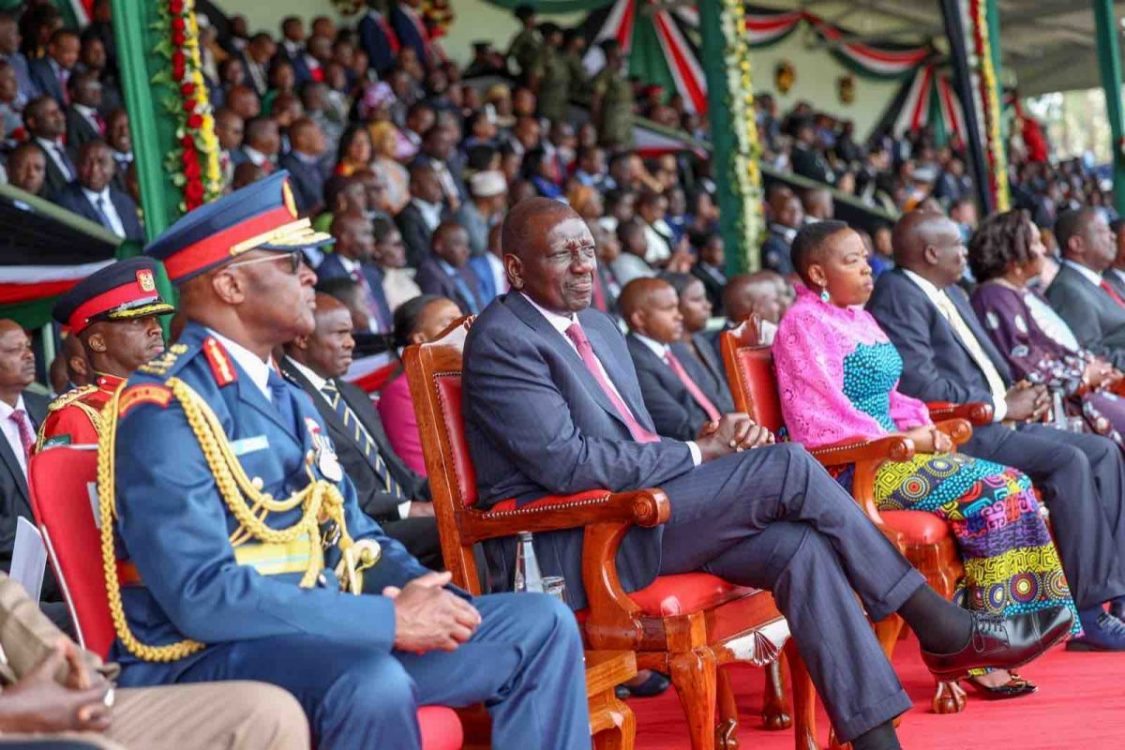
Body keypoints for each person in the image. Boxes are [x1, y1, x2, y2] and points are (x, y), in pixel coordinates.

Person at [462, 198, 1070, 750]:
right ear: (515, 270)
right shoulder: (503, 339)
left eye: (587, 249)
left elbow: (637, 439)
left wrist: (709, 447)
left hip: (646, 507)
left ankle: (877, 740)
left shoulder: (596, 325)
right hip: (579, 541)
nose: (581, 265)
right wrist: (702, 453)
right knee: (785, 464)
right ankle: (936, 622)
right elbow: (570, 464)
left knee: (798, 547)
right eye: (561, 253)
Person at [107, 172, 589, 749]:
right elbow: (203, 596)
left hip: (324, 636)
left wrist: (431, 598)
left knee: (540, 624)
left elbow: (356, 537)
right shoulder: (164, 407)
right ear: (231, 285)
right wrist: (389, 623)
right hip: (211, 658)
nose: (310, 275)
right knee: (372, 682)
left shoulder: (286, 396)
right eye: (289, 264)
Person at [774, 221, 1077, 696]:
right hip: (853, 469)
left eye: (866, 256)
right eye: (851, 260)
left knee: (1013, 481)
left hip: (893, 452)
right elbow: (820, 417)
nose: (867, 268)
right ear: (816, 272)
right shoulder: (804, 324)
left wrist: (923, 427)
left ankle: (1004, 635)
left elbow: (891, 397)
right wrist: (907, 441)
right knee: (991, 490)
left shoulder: (858, 317)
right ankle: (982, 647)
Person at [868, 209, 1125, 650]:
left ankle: (1116, 595)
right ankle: (1086, 614)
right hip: (961, 428)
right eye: (956, 244)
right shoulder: (899, 294)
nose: (965, 251)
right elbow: (918, 382)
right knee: (1069, 460)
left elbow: (992, 363)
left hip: (997, 415)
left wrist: (1018, 390)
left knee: (1101, 451)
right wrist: (1001, 404)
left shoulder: (953, 292)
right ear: (931, 252)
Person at [0, 573, 310, 750]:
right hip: (14, 718)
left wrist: (80, 674)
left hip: (25, 696)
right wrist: (12, 714)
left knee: (268, 715)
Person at [282, 294, 441, 570]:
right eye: (341, 333)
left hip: (403, 513)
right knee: (453, 530)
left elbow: (399, 471)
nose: (351, 343)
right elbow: (328, 487)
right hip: (362, 527)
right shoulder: (290, 397)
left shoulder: (351, 393)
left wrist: (448, 491)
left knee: (476, 513)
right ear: (302, 338)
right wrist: (406, 508)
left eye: (352, 334)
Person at [969, 209, 1125, 447]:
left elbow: (1058, 347)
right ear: (1014, 255)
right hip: (1055, 404)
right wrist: (1084, 374)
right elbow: (1024, 362)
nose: (1044, 250)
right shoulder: (993, 297)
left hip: (1077, 391)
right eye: (1035, 243)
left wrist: (1096, 369)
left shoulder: (1025, 292)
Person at [35, 258, 173, 450]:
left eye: (155, 319)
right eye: (136, 321)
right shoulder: (77, 417)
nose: (156, 329)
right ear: (98, 342)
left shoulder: (172, 395)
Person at [622, 277, 733, 442]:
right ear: (639, 319)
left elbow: (715, 399)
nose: (679, 316)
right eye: (669, 309)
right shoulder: (633, 361)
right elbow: (677, 426)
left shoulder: (676, 347)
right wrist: (727, 435)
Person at [377, 294, 462, 478]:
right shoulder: (402, 394)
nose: (463, 327)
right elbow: (424, 473)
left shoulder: (466, 377)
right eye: (449, 322)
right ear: (420, 339)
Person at [1043, 208, 1125, 368]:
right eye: (1102, 231)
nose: (1113, 236)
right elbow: (1090, 356)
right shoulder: (1067, 290)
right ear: (1077, 244)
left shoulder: (1095, 281)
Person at [50, 139, 144, 242]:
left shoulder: (125, 203)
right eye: (87, 163)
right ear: (76, 166)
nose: (94, 169)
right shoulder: (64, 203)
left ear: (113, 167)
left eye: (101, 162)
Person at [317, 212, 393, 334]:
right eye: (366, 234)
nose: (372, 240)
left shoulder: (371, 272)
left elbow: (385, 315)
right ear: (345, 237)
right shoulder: (326, 273)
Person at [664, 272, 728, 403]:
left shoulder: (701, 342)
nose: (708, 306)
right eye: (697, 300)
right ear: (674, 305)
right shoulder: (667, 354)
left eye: (705, 298)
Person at [415, 221, 483, 315]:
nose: (466, 250)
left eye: (467, 245)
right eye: (458, 244)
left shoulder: (465, 268)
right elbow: (440, 314)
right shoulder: (429, 273)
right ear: (439, 246)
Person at [396, 163, 446, 268]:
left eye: (438, 182)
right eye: (432, 183)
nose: (439, 187)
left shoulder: (444, 211)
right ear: (415, 188)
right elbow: (419, 252)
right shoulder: (407, 217)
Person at [25, 95, 75, 195]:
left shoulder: (71, 151)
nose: (60, 117)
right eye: (52, 114)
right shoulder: (28, 155)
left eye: (59, 112)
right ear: (33, 122)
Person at [277, 118, 329, 216]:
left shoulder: (320, 163)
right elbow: (296, 211)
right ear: (302, 139)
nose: (323, 138)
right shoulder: (287, 168)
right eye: (318, 134)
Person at [590, 40, 633, 148]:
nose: (621, 59)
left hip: (624, 128)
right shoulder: (605, 74)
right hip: (613, 128)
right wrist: (598, 125)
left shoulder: (619, 76)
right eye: (617, 55)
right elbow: (596, 99)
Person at [373, 216, 421, 313]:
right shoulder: (374, 283)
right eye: (396, 245)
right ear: (376, 250)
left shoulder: (401, 275)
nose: (403, 249)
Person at [456, 169, 506, 258]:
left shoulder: (493, 214)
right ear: (488, 198)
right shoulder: (467, 214)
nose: (503, 201)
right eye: (500, 196)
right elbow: (480, 248)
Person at [761, 191, 804, 276]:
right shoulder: (771, 241)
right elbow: (783, 274)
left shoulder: (802, 235)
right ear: (774, 212)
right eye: (789, 210)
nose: (795, 214)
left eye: (798, 209)